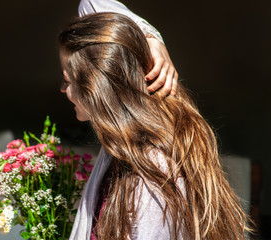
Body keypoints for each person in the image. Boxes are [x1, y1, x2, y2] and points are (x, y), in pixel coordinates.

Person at [59, 2, 251, 240]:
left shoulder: (153, 178)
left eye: (67, 81)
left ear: (95, 88)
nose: (62, 89)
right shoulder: (125, 151)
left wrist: (147, 39)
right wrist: (152, 39)